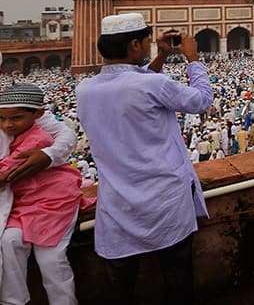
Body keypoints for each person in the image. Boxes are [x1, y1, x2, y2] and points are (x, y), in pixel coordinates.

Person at [76, 15, 212, 305]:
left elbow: (136, 87)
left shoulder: (84, 90)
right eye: (148, 42)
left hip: (118, 207)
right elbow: (201, 100)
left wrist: (161, 55)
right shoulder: (152, 85)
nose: (151, 46)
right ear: (135, 44)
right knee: (177, 285)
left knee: (119, 290)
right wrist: (192, 59)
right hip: (165, 203)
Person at [0, 84, 86, 305]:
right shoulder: (15, 118)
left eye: (14, 118)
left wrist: (49, 155)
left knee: (51, 258)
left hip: (50, 201)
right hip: (22, 202)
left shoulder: (36, 133)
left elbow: (64, 135)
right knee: (9, 241)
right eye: (3, 119)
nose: (7, 124)